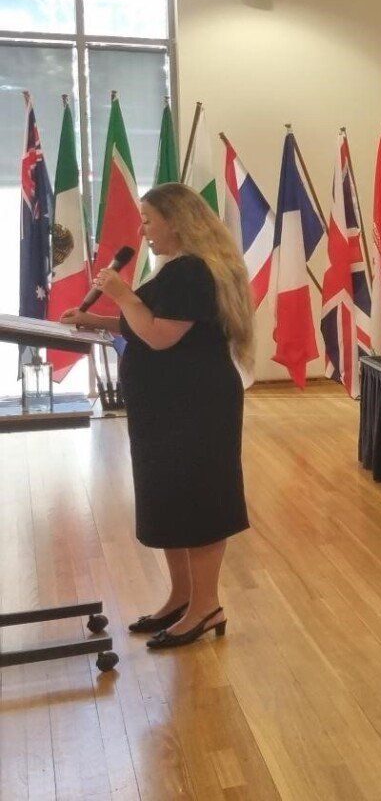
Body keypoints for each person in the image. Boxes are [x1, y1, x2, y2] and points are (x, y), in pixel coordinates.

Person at [61, 184, 253, 649]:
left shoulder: (193, 271)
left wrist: (121, 294)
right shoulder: (180, 269)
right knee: (169, 496)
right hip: (168, 406)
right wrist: (97, 321)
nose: (143, 231)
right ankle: (182, 597)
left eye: (149, 221)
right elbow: (149, 323)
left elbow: (162, 336)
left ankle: (206, 606)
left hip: (195, 406)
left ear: (177, 221)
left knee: (198, 499)